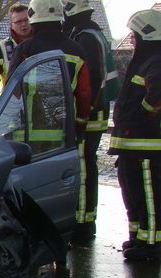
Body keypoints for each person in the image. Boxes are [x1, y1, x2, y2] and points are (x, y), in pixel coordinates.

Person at [62, 0, 121, 243]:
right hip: (94, 114)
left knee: (84, 166)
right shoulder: (93, 34)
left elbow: (92, 81)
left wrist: (81, 116)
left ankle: (83, 223)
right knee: (87, 164)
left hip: (89, 116)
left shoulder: (85, 38)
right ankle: (85, 220)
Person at [109, 8, 161, 261]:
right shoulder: (146, 59)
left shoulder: (156, 60)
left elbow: (157, 93)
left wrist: (144, 115)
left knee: (149, 195)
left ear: (146, 34)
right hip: (133, 146)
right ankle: (139, 238)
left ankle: (152, 245)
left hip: (146, 147)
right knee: (134, 194)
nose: (131, 39)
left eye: (134, 34)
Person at [8, 0, 92, 144]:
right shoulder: (77, 51)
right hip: (63, 136)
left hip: (25, 137)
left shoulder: (24, 49)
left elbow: (11, 93)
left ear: (32, 19)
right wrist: (80, 125)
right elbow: (84, 94)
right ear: (61, 18)